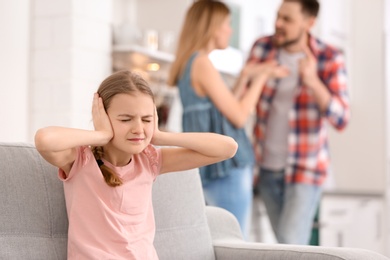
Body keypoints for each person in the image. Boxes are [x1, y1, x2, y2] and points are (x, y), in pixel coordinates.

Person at [34, 70, 238, 259]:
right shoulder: (80, 161)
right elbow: (44, 139)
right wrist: (101, 134)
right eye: (126, 119)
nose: (138, 128)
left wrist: (160, 136)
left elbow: (228, 148)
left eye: (146, 119)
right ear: (102, 117)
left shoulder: (149, 161)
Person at [167, 0, 288, 239]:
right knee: (234, 242)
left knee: (214, 239)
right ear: (212, 26)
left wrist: (244, 77)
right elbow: (239, 116)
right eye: (227, 23)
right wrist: (262, 77)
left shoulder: (189, 62)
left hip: (208, 168)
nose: (229, 30)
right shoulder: (202, 63)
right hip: (227, 167)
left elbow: (220, 110)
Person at [247, 0, 350, 244]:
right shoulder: (262, 49)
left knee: (289, 241)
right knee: (286, 246)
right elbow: (242, 101)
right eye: (278, 16)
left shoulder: (329, 57)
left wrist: (313, 81)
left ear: (309, 23)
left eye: (288, 19)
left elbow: (341, 118)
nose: (278, 24)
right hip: (266, 167)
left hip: (306, 168)